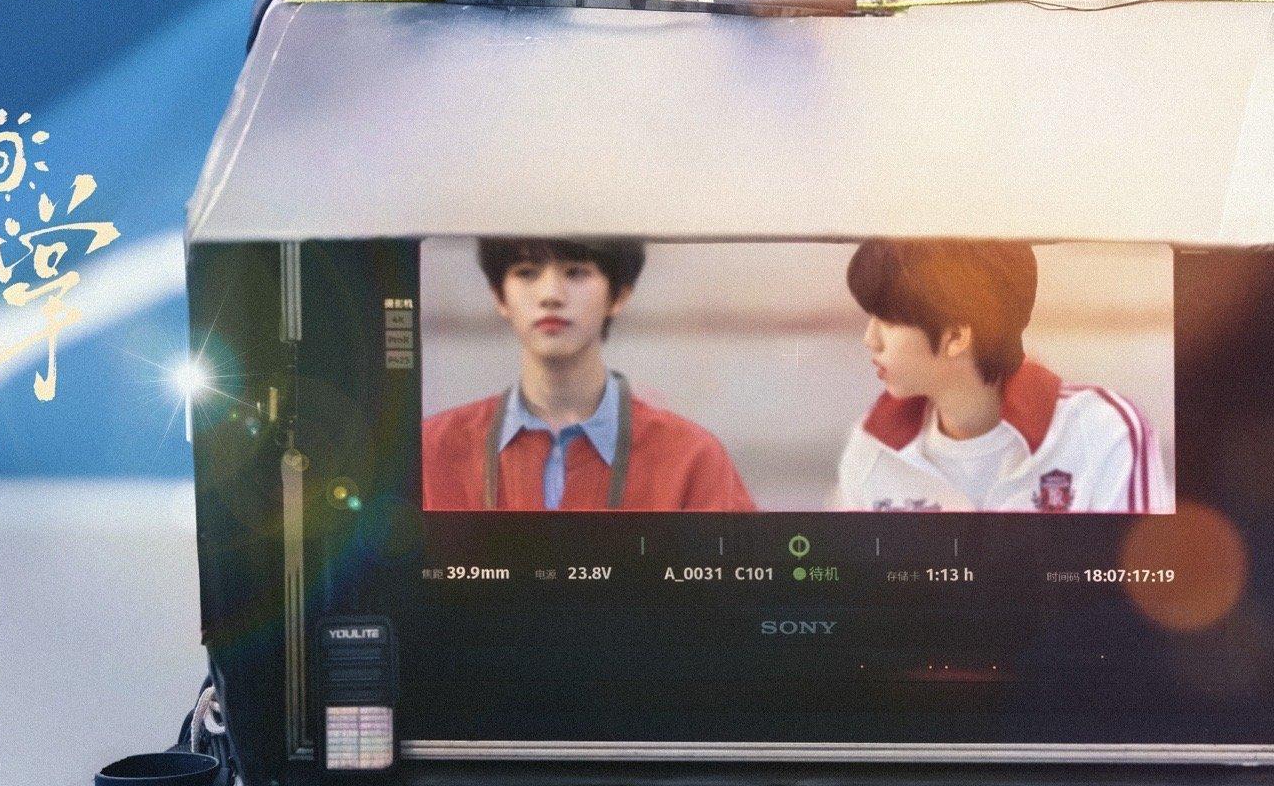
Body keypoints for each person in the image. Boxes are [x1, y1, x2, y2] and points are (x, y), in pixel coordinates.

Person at [834, 239, 1170, 513]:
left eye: (888, 321)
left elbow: (1143, 574)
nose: (870, 340)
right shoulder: (873, 446)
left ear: (956, 337)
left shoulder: (1103, 431)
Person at [423, 238, 754, 511]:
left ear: (618, 295)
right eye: (527, 273)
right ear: (500, 296)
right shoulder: (431, 450)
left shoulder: (691, 458)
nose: (551, 295)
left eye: (577, 272)